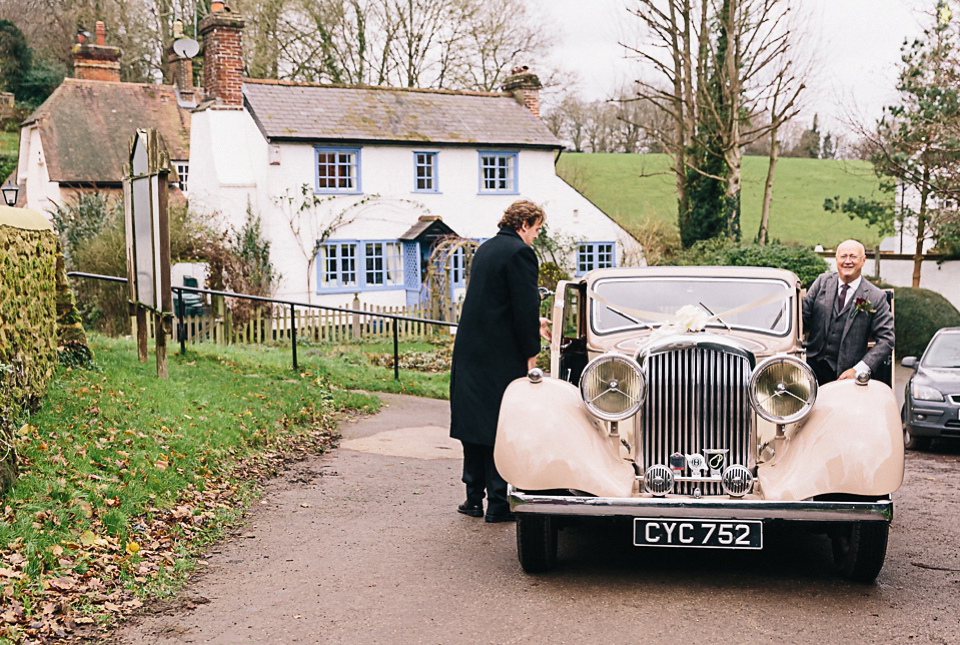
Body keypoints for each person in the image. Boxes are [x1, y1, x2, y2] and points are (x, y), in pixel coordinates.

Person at [449, 200, 551, 523]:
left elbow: (493, 300)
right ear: (523, 225)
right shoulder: (520, 253)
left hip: (470, 348)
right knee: (498, 424)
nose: (535, 236)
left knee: (474, 423)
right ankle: (497, 503)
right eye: (536, 229)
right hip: (500, 353)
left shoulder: (485, 249)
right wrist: (531, 354)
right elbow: (522, 308)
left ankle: (472, 498)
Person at [802, 239, 894, 384]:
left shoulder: (876, 296)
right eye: (843, 256)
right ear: (836, 259)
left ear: (863, 260)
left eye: (853, 257)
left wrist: (858, 369)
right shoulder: (821, 283)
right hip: (809, 368)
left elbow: (887, 340)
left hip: (847, 376)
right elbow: (801, 317)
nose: (847, 261)